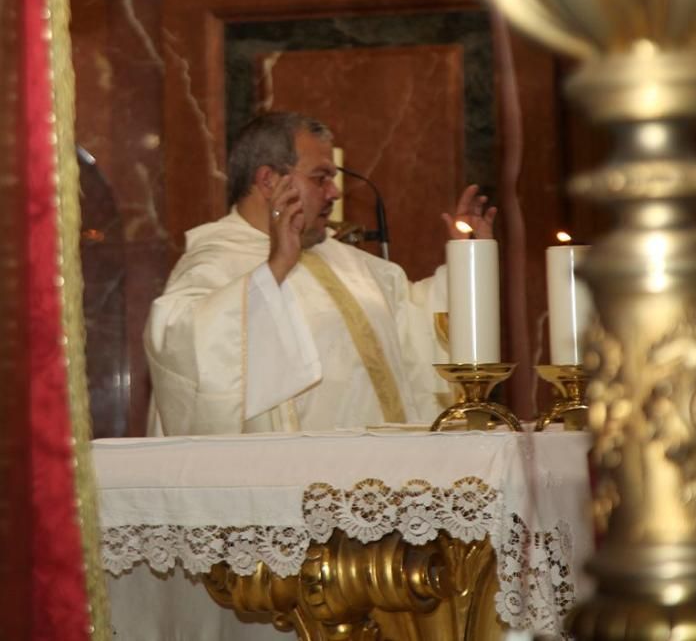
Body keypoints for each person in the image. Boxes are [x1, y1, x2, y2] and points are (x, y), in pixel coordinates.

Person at [145, 112, 496, 434]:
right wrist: (274, 271)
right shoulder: (218, 261)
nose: (335, 192)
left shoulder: (350, 262)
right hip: (297, 482)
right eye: (321, 178)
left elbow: (413, 322)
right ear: (268, 181)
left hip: (386, 475)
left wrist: (467, 264)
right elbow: (179, 343)